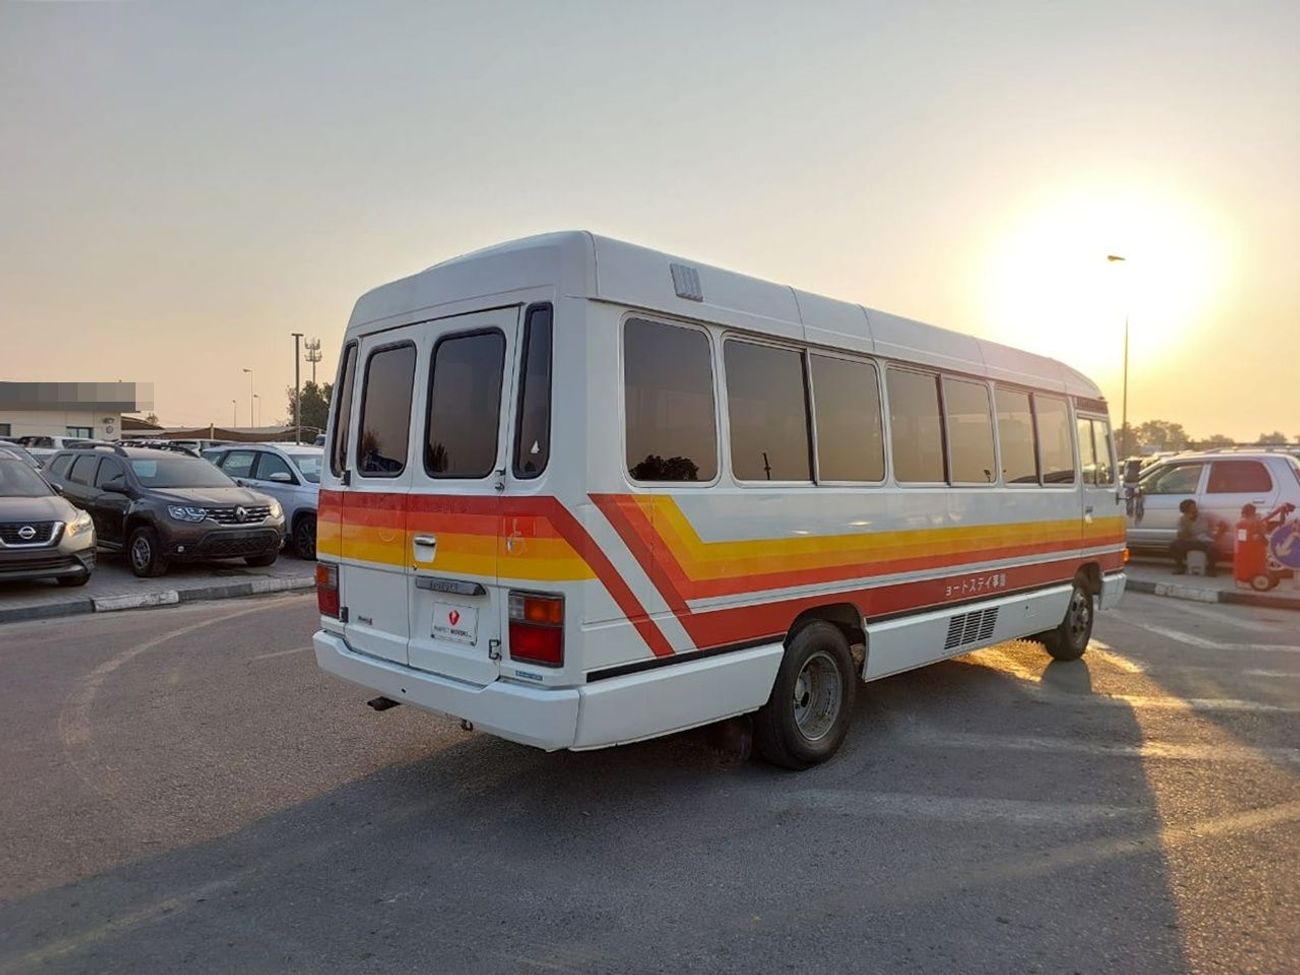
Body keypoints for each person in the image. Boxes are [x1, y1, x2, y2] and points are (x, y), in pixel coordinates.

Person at [1170, 498, 1225, 576]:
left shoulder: (1205, 516)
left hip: (1205, 541)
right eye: (1191, 509)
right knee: (1174, 545)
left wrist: (1217, 537)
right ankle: (1180, 566)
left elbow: (1223, 525)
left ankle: (1211, 568)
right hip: (1190, 542)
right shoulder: (1182, 519)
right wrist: (1187, 523)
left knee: (1216, 547)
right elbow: (1181, 536)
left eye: (1194, 507)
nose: (1194, 510)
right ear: (1185, 511)